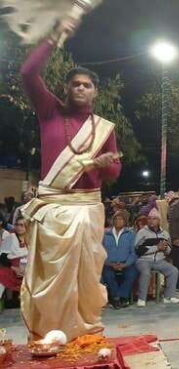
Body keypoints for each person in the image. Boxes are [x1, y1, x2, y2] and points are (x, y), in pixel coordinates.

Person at [18, 19, 123, 341]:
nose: (80, 88)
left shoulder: (104, 128)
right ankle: (49, 332)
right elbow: (27, 72)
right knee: (52, 278)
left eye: (86, 85)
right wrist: (55, 36)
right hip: (53, 212)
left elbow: (114, 173)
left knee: (85, 279)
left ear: (95, 91)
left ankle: (83, 330)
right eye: (75, 84)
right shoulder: (49, 111)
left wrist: (103, 166)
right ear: (66, 88)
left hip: (88, 209)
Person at [134, 209, 179, 306]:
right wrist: (156, 248)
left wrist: (165, 248)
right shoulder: (142, 232)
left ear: (159, 221)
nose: (151, 221)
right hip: (143, 260)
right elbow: (138, 250)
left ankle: (169, 297)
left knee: (173, 270)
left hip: (159, 260)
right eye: (150, 219)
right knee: (146, 273)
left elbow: (169, 251)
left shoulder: (165, 233)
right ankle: (142, 298)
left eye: (154, 219)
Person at [101, 212, 138, 309]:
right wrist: (109, 263)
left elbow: (133, 253)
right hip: (109, 263)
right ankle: (117, 297)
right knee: (107, 275)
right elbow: (100, 251)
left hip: (126, 263)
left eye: (121, 219)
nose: (118, 221)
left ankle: (121, 297)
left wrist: (125, 264)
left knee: (132, 274)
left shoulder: (130, 234)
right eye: (116, 219)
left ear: (125, 221)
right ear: (112, 221)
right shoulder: (105, 234)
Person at [0, 219, 28, 302]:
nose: (19, 227)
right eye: (17, 225)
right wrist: (15, 268)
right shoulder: (10, 238)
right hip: (11, 267)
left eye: (21, 225)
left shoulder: (32, 238)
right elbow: (2, 257)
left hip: (29, 267)